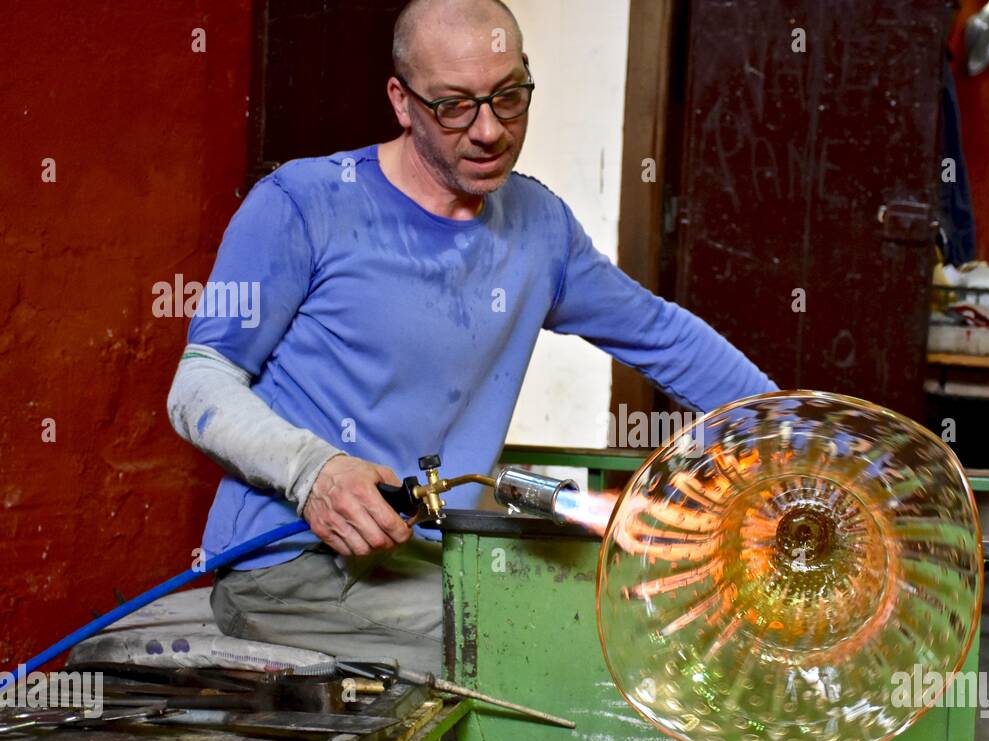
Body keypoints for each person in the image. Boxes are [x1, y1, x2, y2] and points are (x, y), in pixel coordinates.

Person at [168, 0, 776, 676]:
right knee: (581, 647)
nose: (489, 131)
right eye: (454, 106)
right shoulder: (303, 203)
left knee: (640, 611)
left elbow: (662, 336)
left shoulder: (538, 225)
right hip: (297, 572)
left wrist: (803, 440)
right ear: (402, 102)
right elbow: (198, 385)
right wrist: (315, 471)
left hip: (440, 557)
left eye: (509, 97)